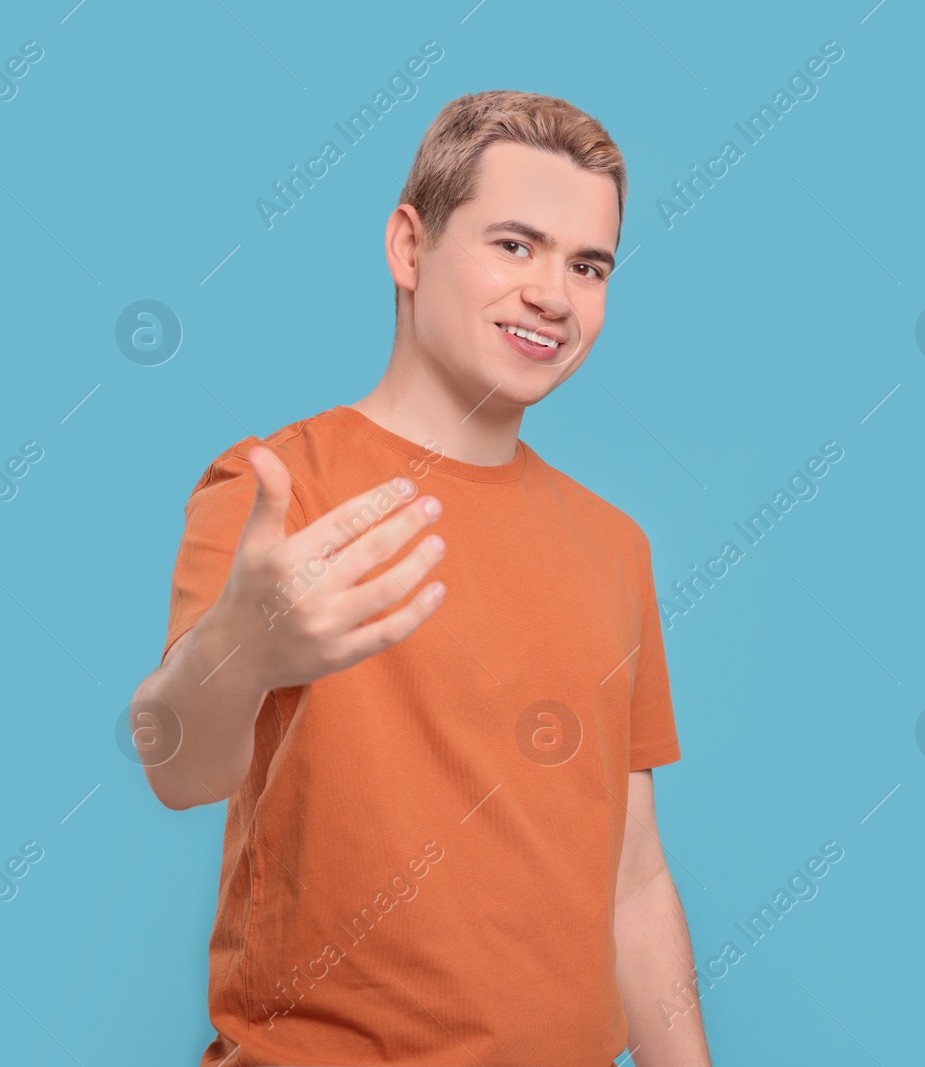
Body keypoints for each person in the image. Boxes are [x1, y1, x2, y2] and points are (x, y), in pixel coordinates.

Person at [130, 89, 712, 1067]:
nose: (553, 296)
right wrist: (242, 650)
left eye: (589, 265)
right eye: (515, 245)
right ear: (409, 247)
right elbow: (175, 764)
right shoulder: (277, 488)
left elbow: (635, 876)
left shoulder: (616, 546)